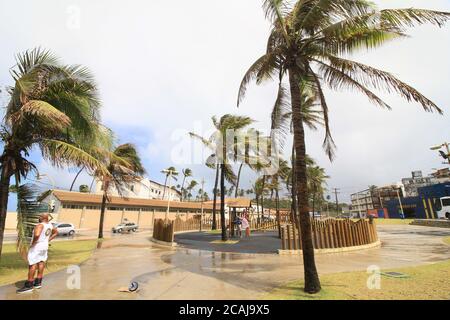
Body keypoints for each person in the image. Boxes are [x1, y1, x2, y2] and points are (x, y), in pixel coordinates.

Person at [17, 213, 58, 294]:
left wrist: (33, 243)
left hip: (37, 246)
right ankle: (38, 282)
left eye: (39, 216)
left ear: (42, 218)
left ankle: (29, 284)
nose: (38, 217)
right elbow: (56, 232)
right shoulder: (50, 225)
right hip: (44, 246)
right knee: (41, 262)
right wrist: (47, 240)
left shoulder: (39, 225)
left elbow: (37, 234)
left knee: (32, 264)